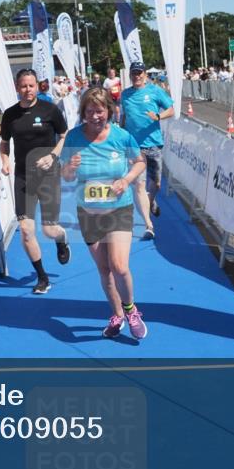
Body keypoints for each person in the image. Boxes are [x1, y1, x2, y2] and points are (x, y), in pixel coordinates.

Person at [62, 87, 148, 339]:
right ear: (83, 113)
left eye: (100, 111)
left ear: (108, 111)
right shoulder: (74, 137)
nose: (96, 116)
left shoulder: (121, 136)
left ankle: (131, 310)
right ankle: (117, 315)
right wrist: (69, 166)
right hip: (88, 213)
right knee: (104, 270)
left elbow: (140, 161)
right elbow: (65, 175)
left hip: (119, 209)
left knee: (119, 266)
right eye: (90, 111)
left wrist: (126, 179)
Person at [0, 69, 71, 295]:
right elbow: (4, 142)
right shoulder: (10, 115)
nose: (27, 90)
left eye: (31, 86)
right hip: (22, 176)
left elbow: (64, 134)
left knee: (49, 230)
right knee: (26, 230)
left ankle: (62, 239)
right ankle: (42, 277)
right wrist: (5, 161)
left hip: (48, 175)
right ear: (17, 87)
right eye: (23, 86)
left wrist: (53, 156)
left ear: (37, 86)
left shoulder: (49, 109)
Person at [119, 61, 174, 240]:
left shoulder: (155, 91)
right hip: (134, 147)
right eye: (134, 73)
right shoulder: (125, 95)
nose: (136, 76)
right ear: (130, 75)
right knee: (139, 185)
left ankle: (150, 202)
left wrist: (158, 116)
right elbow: (124, 117)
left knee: (156, 184)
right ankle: (148, 225)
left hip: (154, 144)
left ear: (145, 74)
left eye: (139, 73)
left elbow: (171, 109)